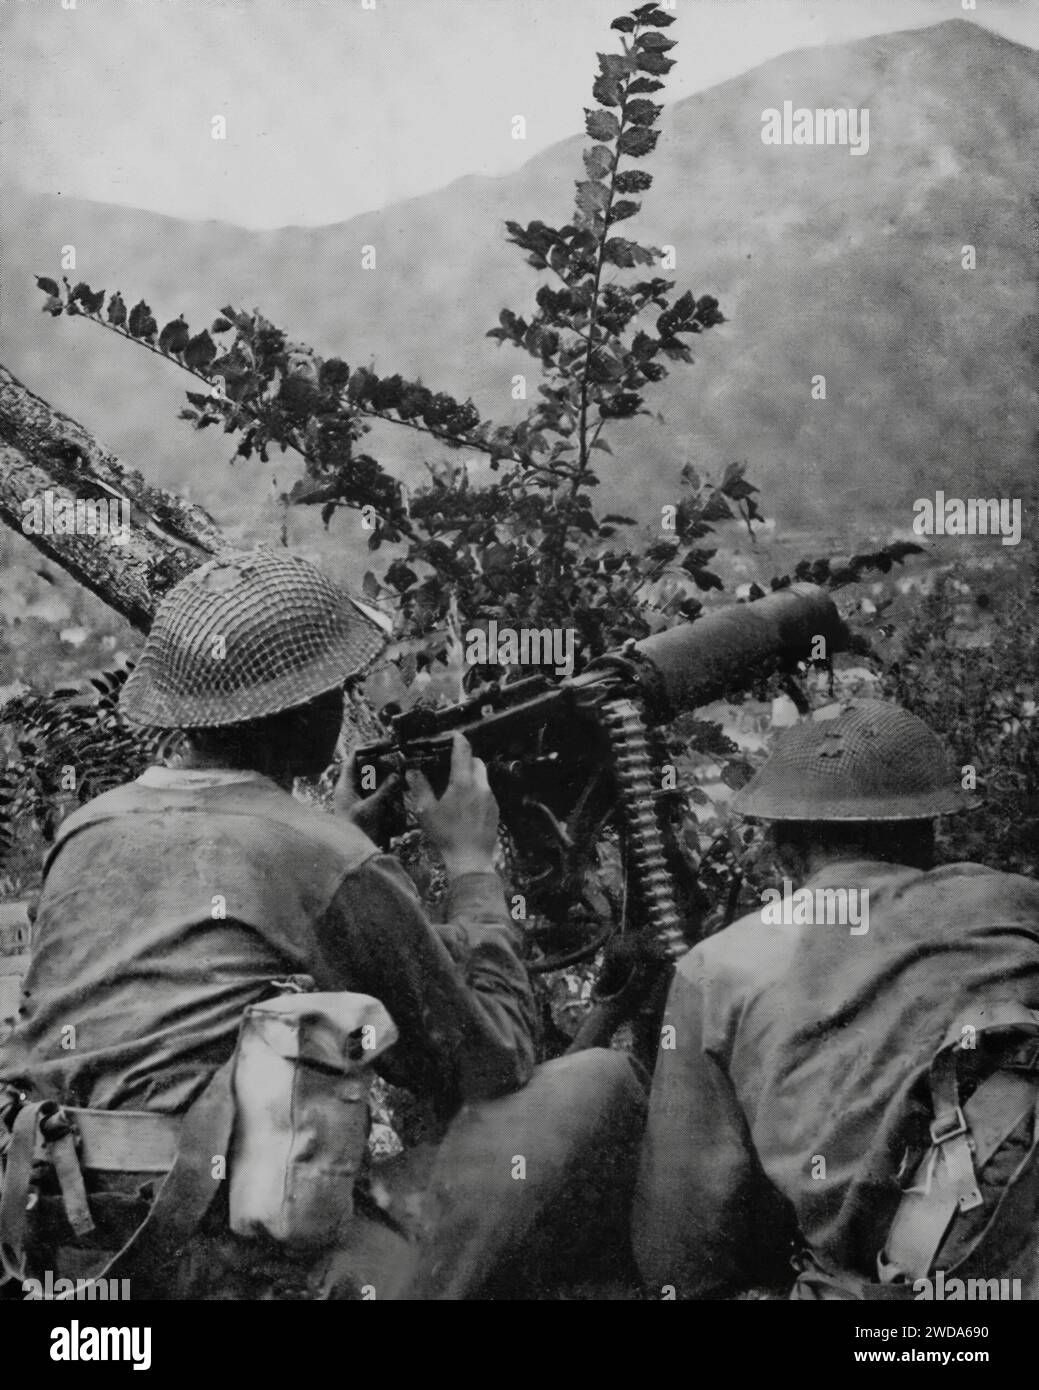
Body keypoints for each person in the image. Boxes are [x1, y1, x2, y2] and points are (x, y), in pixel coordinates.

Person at [0, 549, 645, 1300]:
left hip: (74, 1253)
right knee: (599, 1083)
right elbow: (491, 1063)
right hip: (241, 1264)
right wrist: (471, 867)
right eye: (337, 687)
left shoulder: (89, 828)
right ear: (310, 714)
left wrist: (336, 842)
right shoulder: (323, 855)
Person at [632, 698, 1039, 1299]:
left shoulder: (719, 968)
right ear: (929, 829)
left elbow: (683, 1259)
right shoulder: (1017, 902)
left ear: (780, 843)